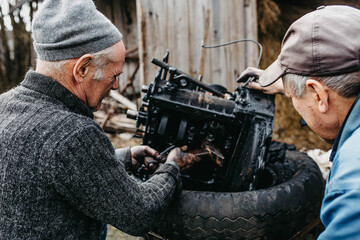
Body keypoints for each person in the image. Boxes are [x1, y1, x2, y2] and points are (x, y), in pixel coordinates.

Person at [0, 0, 199, 239]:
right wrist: (172, 167)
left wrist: (122, 158)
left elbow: (44, 165)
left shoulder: (5, 105)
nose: (116, 85)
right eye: (114, 75)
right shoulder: (73, 133)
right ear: (82, 68)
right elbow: (139, 214)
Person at [238, 5, 360, 239]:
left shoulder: (353, 183)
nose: (294, 103)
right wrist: (288, 84)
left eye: (295, 97)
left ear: (319, 95)